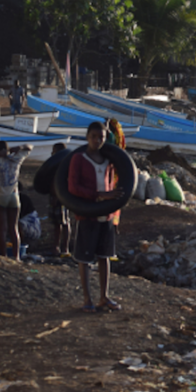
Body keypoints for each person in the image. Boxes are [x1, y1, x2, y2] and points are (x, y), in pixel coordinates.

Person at [69, 121, 124, 313]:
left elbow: (116, 187)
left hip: (106, 216)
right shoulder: (79, 158)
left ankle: (104, 297)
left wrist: (115, 214)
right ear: (87, 137)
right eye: (93, 136)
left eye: (101, 137)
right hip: (87, 215)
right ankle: (87, 299)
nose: (97, 140)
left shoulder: (108, 159)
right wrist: (99, 195)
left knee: (104, 256)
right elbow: (73, 187)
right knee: (85, 259)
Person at [0, 140, 32, 260]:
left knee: (2, 228)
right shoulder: (17, 159)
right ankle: (17, 256)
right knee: (14, 228)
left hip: (1, 197)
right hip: (15, 196)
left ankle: (3, 256)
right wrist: (20, 146)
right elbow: (29, 147)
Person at [48, 143, 72, 257]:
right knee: (57, 223)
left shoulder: (62, 166)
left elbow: (60, 183)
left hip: (61, 197)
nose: (51, 153)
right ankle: (56, 246)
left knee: (64, 222)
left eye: (53, 151)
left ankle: (64, 248)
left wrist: (57, 197)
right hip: (55, 196)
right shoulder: (55, 165)